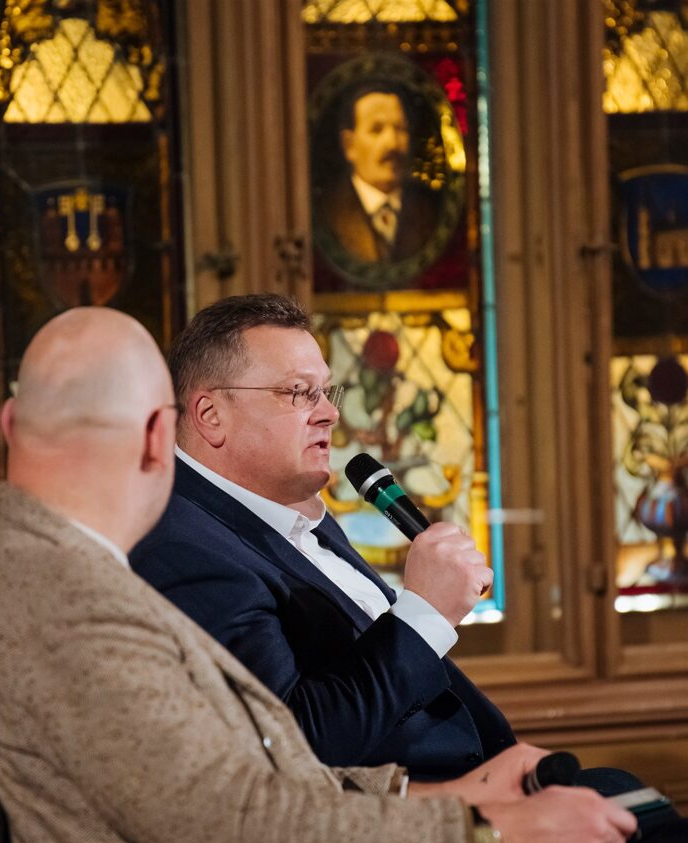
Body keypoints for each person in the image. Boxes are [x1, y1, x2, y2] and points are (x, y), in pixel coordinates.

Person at [0, 307, 687, 843]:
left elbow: (241, 777)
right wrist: (486, 837)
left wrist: (447, 796)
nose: (326, 412)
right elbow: (237, 822)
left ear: (11, 424)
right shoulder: (69, 598)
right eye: (301, 393)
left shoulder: (11, 563)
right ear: (163, 436)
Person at [131, 294, 521, 779]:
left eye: (325, 392)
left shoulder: (297, 511)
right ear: (211, 415)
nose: (330, 414)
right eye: (299, 392)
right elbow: (295, 742)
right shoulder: (183, 547)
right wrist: (425, 613)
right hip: (412, 811)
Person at [320, 83, 440, 265]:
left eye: (400, 129)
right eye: (376, 129)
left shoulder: (432, 209)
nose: (392, 143)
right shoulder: (327, 212)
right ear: (349, 145)